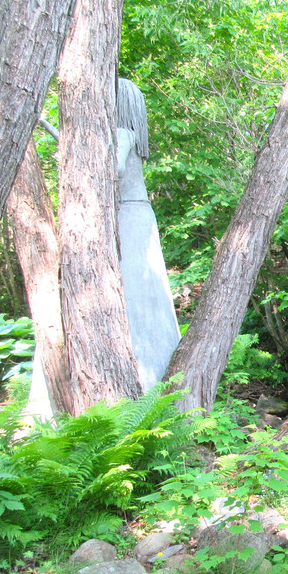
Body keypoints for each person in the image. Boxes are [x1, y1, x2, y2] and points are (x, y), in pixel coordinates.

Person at [115, 77, 180, 391]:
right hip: (137, 214)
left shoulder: (121, 134)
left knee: (136, 294)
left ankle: (145, 379)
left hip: (128, 214)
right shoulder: (131, 137)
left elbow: (111, 168)